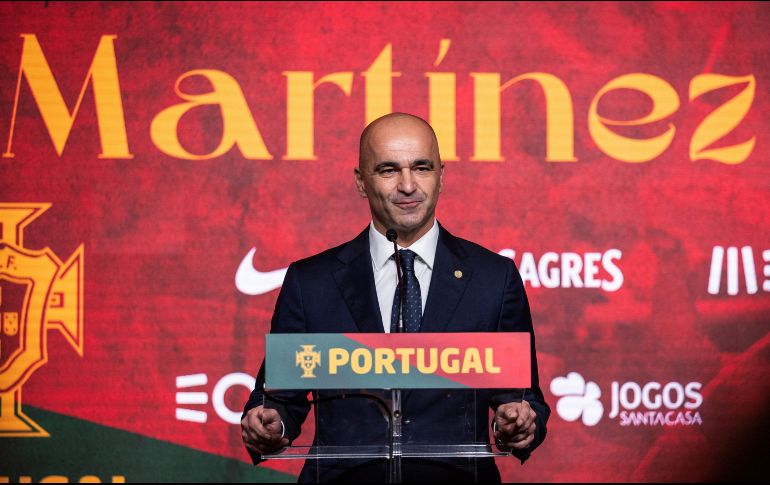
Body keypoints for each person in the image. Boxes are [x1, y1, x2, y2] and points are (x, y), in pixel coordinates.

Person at [241, 113, 549, 482]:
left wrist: (518, 423)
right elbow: (278, 400)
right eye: (388, 170)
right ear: (360, 182)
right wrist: (269, 423)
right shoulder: (311, 282)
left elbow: (524, 400)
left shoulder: (493, 278)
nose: (408, 185)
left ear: (441, 176)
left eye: (422, 167)